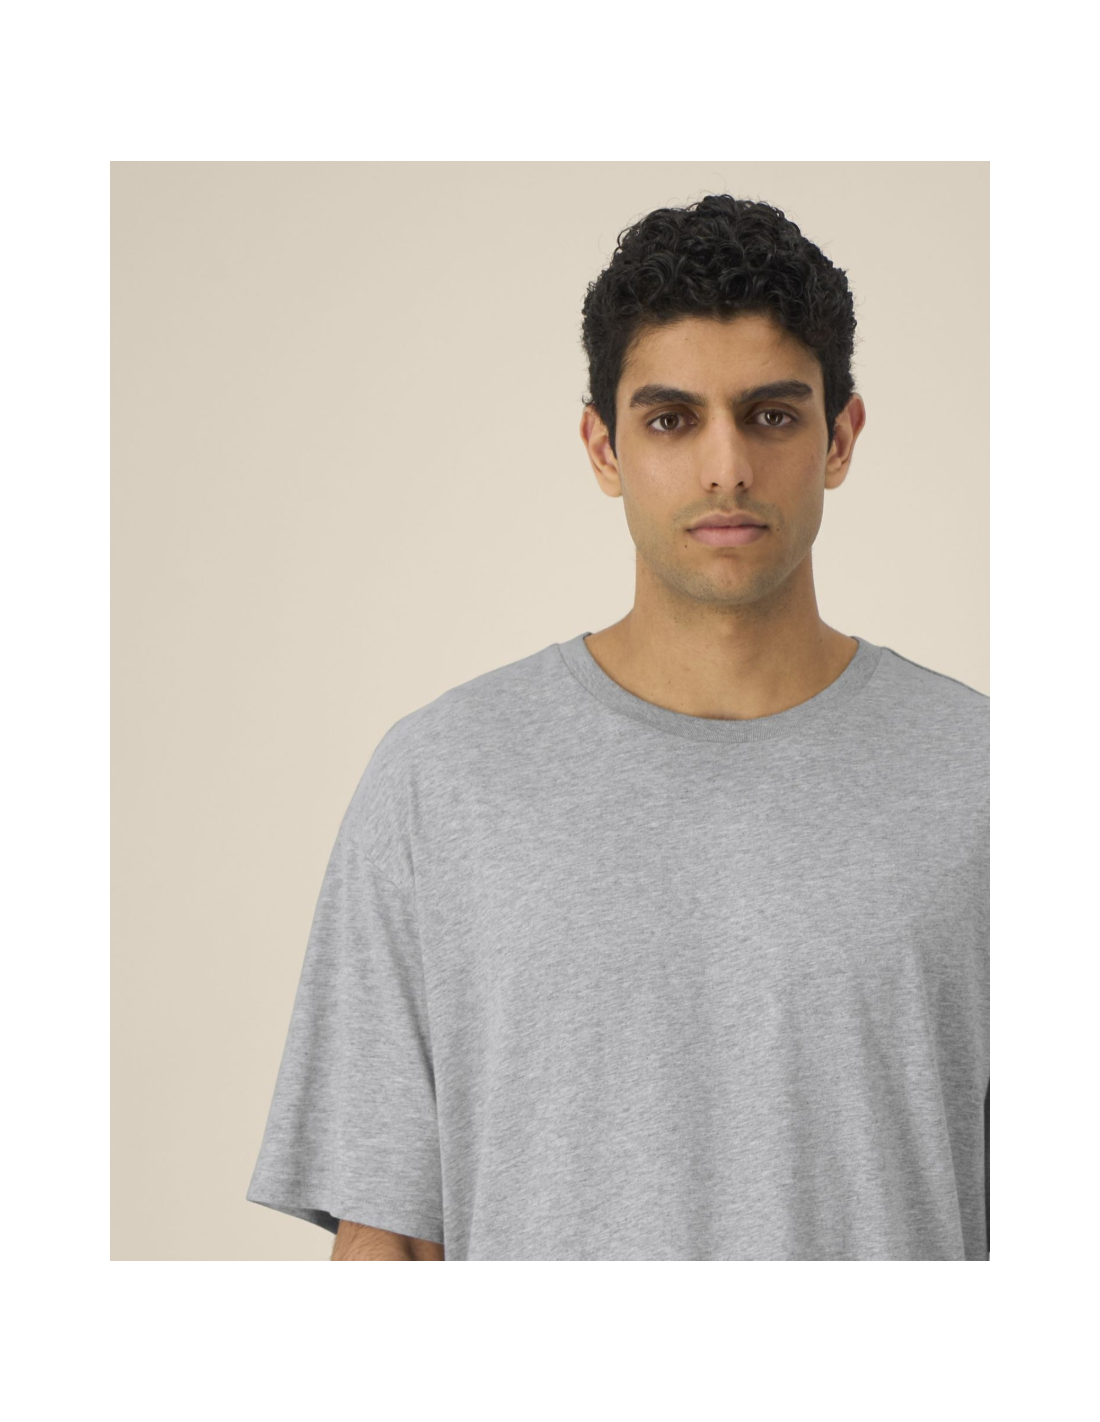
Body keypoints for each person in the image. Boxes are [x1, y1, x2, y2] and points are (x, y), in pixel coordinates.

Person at [246, 194, 989, 1261]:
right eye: (671, 419)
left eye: (771, 416)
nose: (725, 466)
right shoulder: (442, 783)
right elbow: (388, 1250)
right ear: (603, 447)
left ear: (840, 438)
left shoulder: (986, 781)